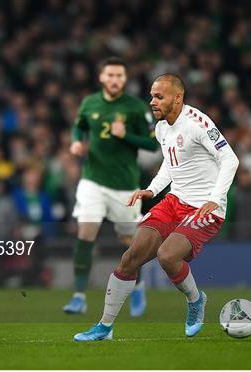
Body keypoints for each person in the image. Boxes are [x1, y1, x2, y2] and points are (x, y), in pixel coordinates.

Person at [74, 73, 239, 340]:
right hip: (174, 201)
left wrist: (216, 198)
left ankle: (196, 301)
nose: (152, 101)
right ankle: (104, 327)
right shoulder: (162, 127)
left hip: (204, 209)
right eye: (151, 95)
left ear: (178, 97)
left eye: (158, 97)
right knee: (130, 257)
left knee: (167, 256)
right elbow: (170, 163)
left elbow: (230, 159)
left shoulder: (198, 123)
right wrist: (152, 189)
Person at [64, 57, 157, 316]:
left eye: (119, 76)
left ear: (124, 80)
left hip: (125, 185)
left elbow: (152, 144)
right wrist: (75, 142)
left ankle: (138, 288)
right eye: (110, 75)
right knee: (86, 232)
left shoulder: (137, 108)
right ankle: (79, 296)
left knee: (128, 240)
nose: (114, 80)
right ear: (102, 78)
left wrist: (124, 135)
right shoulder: (90, 103)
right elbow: (79, 127)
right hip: (92, 179)